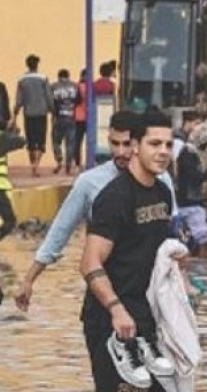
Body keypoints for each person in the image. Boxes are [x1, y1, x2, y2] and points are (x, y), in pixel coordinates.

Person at [79, 110, 180, 392]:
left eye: (168, 144)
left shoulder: (164, 193)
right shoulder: (114, 198)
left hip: (146, 315)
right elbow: (90, 262)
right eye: (154, 143)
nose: (163, 151)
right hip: (110, 318)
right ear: (135, 147)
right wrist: (116, 309)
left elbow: (155, 252)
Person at [12, 112, 177, 312]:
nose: (121, 152)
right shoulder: (91, 183)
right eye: (115, 144)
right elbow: (60, 231)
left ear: (137, 144)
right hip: (109, 298)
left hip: (151, 299)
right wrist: (29, 279)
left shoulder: (161, 182)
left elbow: (170, 238)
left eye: (126, 144)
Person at [174, 120, 207, 259]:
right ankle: (201, 268)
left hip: (187, 203)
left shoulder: (190, 153)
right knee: (203, 240)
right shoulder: (188, 153)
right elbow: (195, 178)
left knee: (192, 241)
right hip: (190, 204)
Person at [14, 55, 50, 178]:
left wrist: (15, 113)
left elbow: (19, 100)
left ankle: (33, 164)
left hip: (28, 114)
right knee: (40, 141)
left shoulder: (22, 80)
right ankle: (35, 165)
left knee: (31, 140)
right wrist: (52, 110)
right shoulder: (43, 78)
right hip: (41, 113)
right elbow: (49, 97)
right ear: (37, 65)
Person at [49, 68, 79, 175]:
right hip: (71, 117)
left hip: (58, 118)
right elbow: (78, 100)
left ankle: (59, 158)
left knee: (56, 141)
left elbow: (50, 102)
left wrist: (53, 113)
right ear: (68, 76)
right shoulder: (75, 86)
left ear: (59, 76)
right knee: (70, 143)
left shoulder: (53, 86)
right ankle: (68, 166)